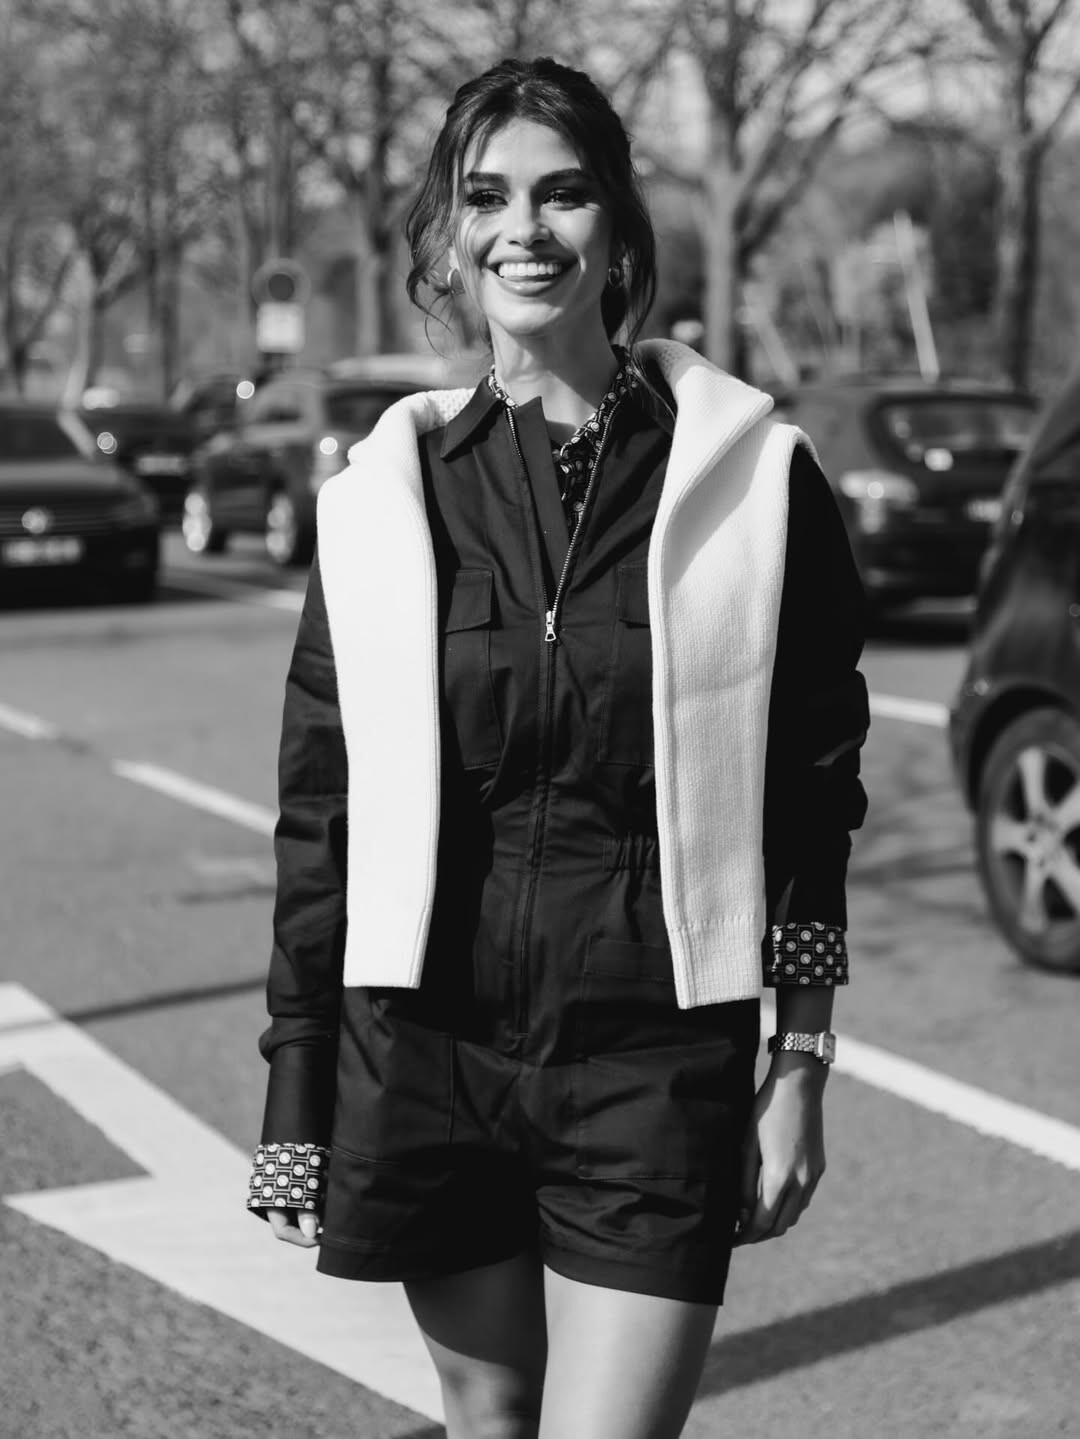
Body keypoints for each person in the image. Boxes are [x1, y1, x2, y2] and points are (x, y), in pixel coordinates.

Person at [247, 56, 869, 1439]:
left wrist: (801, 1062)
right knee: (491, 1419)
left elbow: (813, 795)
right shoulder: (382, 500)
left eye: (562, 193)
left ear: (619, 229)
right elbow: (321, 815)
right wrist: (298, 1091)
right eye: (487, 198)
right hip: (430, 1047)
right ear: (448, 235)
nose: (523, 229)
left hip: (654, 1056)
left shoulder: (758, 482)